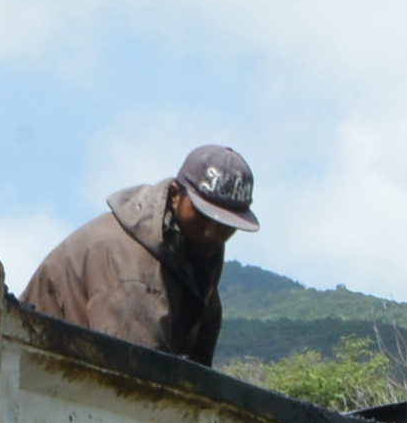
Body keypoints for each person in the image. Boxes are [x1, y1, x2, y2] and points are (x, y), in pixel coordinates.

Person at [18, 146, 260, 365]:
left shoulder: (196, 260)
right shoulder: (132, 265)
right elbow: (135, 377)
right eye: (202, 215)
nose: (212, 232)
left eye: (225, 224)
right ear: (175, 195)